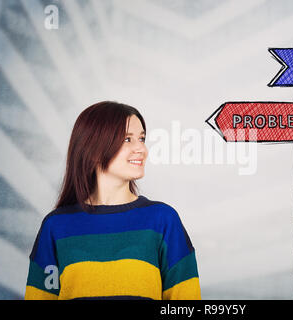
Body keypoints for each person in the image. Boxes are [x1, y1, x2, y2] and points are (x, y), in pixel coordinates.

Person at [24, 101, 201, 300]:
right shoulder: (55, 226)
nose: (141, 149)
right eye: (127, 139)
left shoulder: (163, 220)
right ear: (94, 149)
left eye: (142, 138)